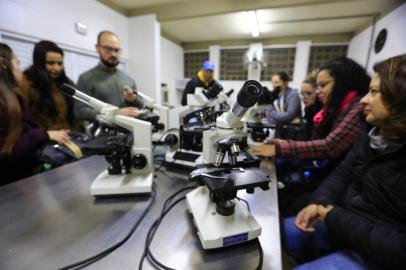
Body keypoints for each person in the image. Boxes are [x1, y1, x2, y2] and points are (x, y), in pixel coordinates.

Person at [283, 54, 406, 270]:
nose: (363, 100)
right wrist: (318, 202)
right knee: (280, 232)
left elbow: (399, 248)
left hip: (380, 250)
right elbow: (343, 172)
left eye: (374, 92)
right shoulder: (372, 131)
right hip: (346, 222)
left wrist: (332, 215)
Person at [253, 58, 370, 216]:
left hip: (336, 185)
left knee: (287, 201)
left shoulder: (356, 107)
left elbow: (329, 146)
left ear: (342, 81)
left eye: (322, 85)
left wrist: (279, 148)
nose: (318, 91)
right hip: (328, 177)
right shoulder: (337, 108)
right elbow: (315, 140)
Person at [0, 43, 70, 185]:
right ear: (4, 64)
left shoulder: (14, 97)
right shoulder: (22, 90)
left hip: (29, 170)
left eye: (59, 63)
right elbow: (8, 149)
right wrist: (44, 134)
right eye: (17, 63)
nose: (56, 68)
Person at [74, 31, 144, 121]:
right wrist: (115, 113)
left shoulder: (128, 79)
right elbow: (79, 111)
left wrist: (133, 100)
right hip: (102, 134)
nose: (113, 54)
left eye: (116, 50)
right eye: (108, 49)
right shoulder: (85, 78)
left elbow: (141, 106)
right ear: (98, 48)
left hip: (131, 132)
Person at [21, 40, 79, 130]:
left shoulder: (68, 83)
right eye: (50, 63)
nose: (57, 68)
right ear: (39, 63)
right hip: (43, 139)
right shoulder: (27, 84)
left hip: (70, 137)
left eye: (60, 63)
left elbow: (75, 115)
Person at [266, 71, 302, 139]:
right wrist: (281, 118)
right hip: (279, 131)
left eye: (276, 82)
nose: (274, 85)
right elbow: (268, 117)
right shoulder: (275, 95)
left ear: (286, 83)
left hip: (293, 131)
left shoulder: (293, 95)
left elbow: (288, 116)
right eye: (272, 82)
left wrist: (273, 114)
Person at [300, 70, 323, 140]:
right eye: (302, 93)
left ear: (318, 92)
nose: (304, 97)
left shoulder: (322, 111)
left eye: (309, 93)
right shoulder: (308, 108)